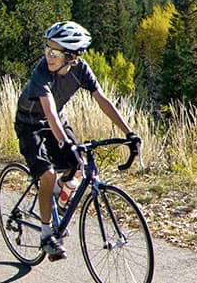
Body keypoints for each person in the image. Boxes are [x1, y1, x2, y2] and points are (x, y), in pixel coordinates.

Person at [14, 21, 136, 261]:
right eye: (48, 49)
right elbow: (49, 110)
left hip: (57, 120)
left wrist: (129, 133)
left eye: (56, 52)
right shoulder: (42, 71)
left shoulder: (81, 70)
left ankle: (58, 199)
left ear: (71, 56)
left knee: (78, 165)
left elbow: (102, 101)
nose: (49, 56)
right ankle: (47, 234)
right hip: (30, 123)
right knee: (48, 174)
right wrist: (64, 142)